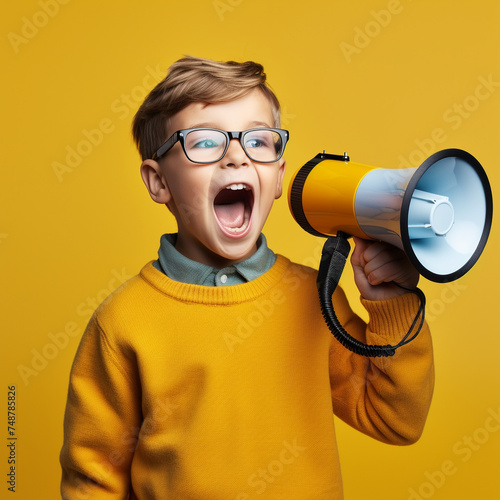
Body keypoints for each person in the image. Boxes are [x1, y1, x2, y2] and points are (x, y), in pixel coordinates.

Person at [60, 56, 434, 499]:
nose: (237, 157)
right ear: (158, 182)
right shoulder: (123, 321)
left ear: (278, 176)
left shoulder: (315, 300)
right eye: (203, 142)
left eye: (258, 140)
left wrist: (391, 302)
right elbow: (94, 477)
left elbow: (395, 420)